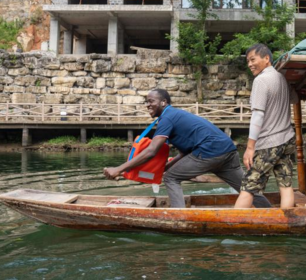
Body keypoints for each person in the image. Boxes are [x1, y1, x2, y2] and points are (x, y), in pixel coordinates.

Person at [104, 89, 271, 208]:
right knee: (246, 187)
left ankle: (179, 216)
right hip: (227, 150)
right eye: (146, 102)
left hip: (210, 152)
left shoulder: (166, 118)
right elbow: (185, 153)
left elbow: (151, 151)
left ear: (163, 102)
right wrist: (164, 167)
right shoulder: (175, 115)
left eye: (151, 101)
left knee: (171, 178)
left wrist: (118, 169)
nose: (148, 105)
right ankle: (271, 213)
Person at [234, 44, 297, 209]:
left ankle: (235, 226)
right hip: (287, 139)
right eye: (248, 61)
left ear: (266, 58)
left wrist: (250, 147)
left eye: (253, 59)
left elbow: (258, 115)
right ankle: (287, 223)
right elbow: (295, 99)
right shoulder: (283, 78)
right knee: (285, 183)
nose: (250, 64)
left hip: (269, 142)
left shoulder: (261, 80)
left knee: (249, 185)